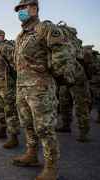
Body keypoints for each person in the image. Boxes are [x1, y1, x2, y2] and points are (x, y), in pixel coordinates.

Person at [12, 0, 78, 179]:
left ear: (34, 8)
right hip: (23, 87)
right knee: (27, 124)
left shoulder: (45, 28)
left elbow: (61, 53)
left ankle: (51, 166)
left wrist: (54, 76)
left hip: (41, 88)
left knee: (44, 128)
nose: (20, 12)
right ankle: (31, 154)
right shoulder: (21, 35)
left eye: (23, 8)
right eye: (18, 9)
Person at [0, 29, 20, 149]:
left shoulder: (6, 47)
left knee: (10, 112)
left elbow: (16, 64)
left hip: (7, 86)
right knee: (1, 111)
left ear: (1, 36)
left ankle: (13, 137)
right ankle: (2, 130)